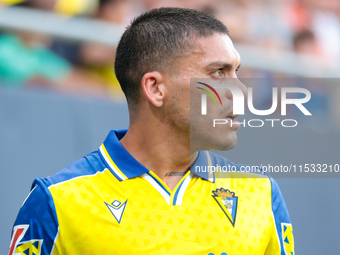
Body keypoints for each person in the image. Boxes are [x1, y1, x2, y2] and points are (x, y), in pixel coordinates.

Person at [8, 7, 295, 255]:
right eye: (218, 72)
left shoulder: (261, 195)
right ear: (155, 88)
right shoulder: (58, 202)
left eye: (236, 72)